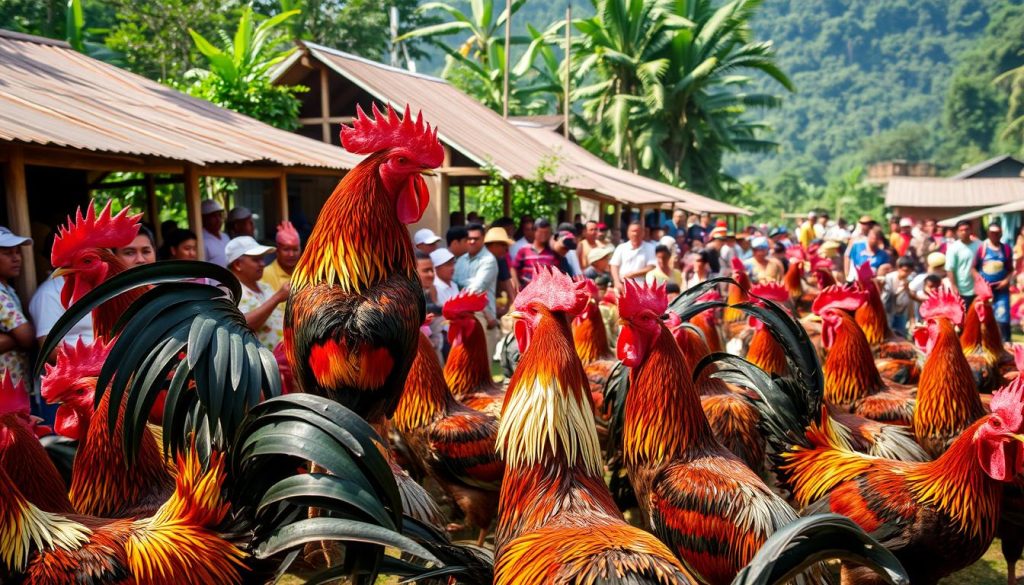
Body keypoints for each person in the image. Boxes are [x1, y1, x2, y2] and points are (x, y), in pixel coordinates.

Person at [227, 236, 288, 349]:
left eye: (262, 258)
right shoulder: (230, 292)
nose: (262, 264)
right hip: (261, 364)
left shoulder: (265, 287)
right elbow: (242, 325)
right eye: (256, 259)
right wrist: (278, 297)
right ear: (237, 265)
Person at [453, 223, 499, 360]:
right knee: (465, 362)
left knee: (482, 365)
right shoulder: (461, 260)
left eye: (476, 238)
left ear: (483, 238)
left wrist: (461, 289)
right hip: (462, 314)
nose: (472, 241)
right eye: (469, 238)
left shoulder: (489, 260)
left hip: (483, 316)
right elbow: (453, 284)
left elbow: (476, 289)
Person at [0, 227, 34, 385]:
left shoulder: (8, 289)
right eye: (7, 253)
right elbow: (27, 337)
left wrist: (8, 340)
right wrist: (17, 339)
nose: (17, 258)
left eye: (17, 252)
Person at [976, 223, 1015, 341]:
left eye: (997, 233)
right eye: (992, 233)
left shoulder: (1006, 249)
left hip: (1001, 290)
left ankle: (1006, 342)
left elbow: (1011, 270)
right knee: (985, 316)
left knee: (1003, 317)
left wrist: (1006, 281)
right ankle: (986, 341)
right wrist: (980, 281)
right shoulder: (982, 248)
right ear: (988, 234)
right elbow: (973, 268)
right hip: (985, 291)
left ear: (1001, 234)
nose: (995, 235)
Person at [610, 221, 657, 291]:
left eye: (638, 231)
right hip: (622, 285)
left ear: (643, 233)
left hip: (641, 287)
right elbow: (614, 266)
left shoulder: (650, 247)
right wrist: (617, 282)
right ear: (628, 233)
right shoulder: (621, 247)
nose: (635, 234)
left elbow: (651, 266)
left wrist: (632, 274)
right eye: (633, 231)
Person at [512, 218, 559, 287]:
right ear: (534, 232)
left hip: (546, 293)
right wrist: (517, 285)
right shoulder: (524, 250)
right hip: (526, 293)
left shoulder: (553, 252)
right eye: (541, 232)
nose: (544, 235)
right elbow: (514, 268)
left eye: (546, 233)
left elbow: (557, 273)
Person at [945, 219, 981, 308]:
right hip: (962, 289)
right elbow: (950, 268)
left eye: (966, 229)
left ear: (971, 230)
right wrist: (953, 286)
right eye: (961, 230)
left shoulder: (980, 245)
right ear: (957, 232)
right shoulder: (953, 248)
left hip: (979, 288)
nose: (964, 232)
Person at [484, 227, 518, 311]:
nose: (506, 249)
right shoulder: (479, 260)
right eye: (504, 245)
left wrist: (510, 308)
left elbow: (509, 287)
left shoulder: (500, 260)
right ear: (494, 245)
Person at [881, 256, 916, 337]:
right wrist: (901, 290)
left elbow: (911, 301)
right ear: (898, 268)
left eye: (909, 271)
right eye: (904, 270)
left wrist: (912, 320)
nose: (906, 273)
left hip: (901, 312)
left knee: (901, 335)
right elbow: (888, 298)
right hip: (888, 313)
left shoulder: (911, 280)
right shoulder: (889, 278)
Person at [261, 221, 301, 291]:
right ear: (277, 251)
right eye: (286, 249)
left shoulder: (305, 272)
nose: (291, 254)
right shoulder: (265, 274)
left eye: (295, 250)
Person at [201, 199, 231, 266]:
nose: (218, 220)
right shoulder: (201, 241)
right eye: (213, 216)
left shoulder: (225, 237)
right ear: (204, 218)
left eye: (220, 215)